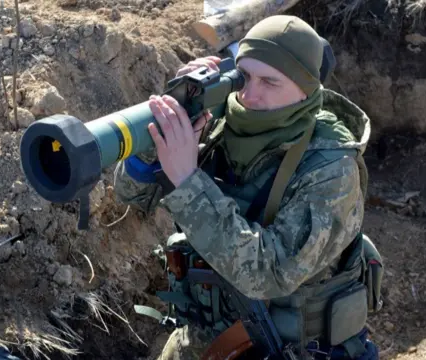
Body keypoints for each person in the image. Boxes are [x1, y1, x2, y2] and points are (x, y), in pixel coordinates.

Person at [113, 15, 382, 360]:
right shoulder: (217, 123)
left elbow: (269, 273)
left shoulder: (331, 167)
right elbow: (132, 195)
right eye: (245, 76)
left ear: (306, 89)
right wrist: (166, 125)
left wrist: (187, 182)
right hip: (206, 340)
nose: (250, 95)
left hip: (290, 349)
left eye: (270, 82)